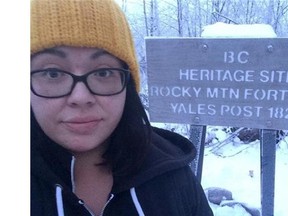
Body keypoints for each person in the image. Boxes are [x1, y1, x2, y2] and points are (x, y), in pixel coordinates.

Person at [30, 0, 214, 215]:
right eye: (53, 73)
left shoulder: (172, 176)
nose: (80, 97)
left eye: (103, 73)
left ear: (127, 84)